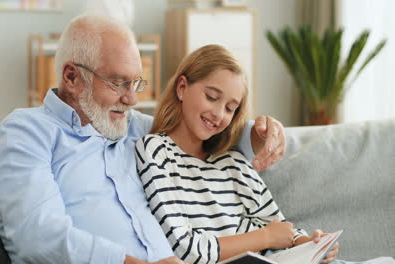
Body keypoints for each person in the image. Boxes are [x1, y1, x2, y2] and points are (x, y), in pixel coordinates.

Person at [0, 15, 287, 264]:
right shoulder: (27, 132)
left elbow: (201, 130)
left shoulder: (137, 129)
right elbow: (37, 237)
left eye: (136, 83)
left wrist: (257, 135)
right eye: (118, 83)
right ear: (72, 78)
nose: (131, 99)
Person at [134, 44, 348, 264]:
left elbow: (280, 228)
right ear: (182, 87)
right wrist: (265, 237)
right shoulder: (156, 151)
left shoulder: (233, 162)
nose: (218, 114)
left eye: (230, 108)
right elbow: (185, 248)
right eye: (211, 97)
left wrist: (309, 244)